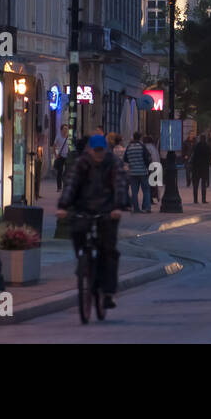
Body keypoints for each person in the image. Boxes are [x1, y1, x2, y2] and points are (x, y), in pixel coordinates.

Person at [56, 133, 127, 311]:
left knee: (108, 250)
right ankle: (83, 261)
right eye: (95, 151)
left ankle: (109, 292)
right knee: (77, 231)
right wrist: (63, 206)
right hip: (84, 208)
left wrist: (118, 207)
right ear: (89, 150)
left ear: (105, 149)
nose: (98, 154)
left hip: (108, 210)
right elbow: (71, 184)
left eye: (101, 151)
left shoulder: (113, 163)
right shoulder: (82, 163)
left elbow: (119, 185)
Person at [124, 132, 153, 213]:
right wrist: (148, 167)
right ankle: (147, 208)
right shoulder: (142, 146)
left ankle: (136, 208)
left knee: (134, 191)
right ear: (140, 138)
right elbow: (147, 158)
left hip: (132, 172)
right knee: (146, 190)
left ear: (133, 137)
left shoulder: (129, 147)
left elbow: (125, 159)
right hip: (142, 171)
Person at [191, 134, 211, 204]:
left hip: (197, 168)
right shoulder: (207, 146)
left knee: (196, 185)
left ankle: (195, 200)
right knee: (203, 185)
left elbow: (194, 157)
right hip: (204, 168)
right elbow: (210, 156)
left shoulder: (197, 146)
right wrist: (207, 163)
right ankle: (203, 199)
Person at [54, 124, 71, 192]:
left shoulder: (68, 137)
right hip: (60, 156)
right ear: (61, 130)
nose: (65, 130)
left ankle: (65, 187)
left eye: (66, 129)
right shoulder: (58, 137)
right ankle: (59, 187)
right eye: (64, 128)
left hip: (67, 156)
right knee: (59, 172)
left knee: (66, 172)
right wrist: (56, 155)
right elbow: (54, 146)